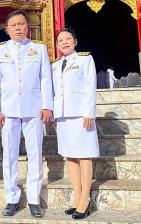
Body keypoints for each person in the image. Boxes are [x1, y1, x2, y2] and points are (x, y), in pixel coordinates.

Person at [0, 10, 53, 218]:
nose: (18, 28)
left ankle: (34, 199)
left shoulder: (39, 49)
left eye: (21, 24)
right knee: (9, 155)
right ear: (7, 29)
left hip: (34, 109)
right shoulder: (0, 51)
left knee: (35, 154)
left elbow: (46, 79)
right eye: (13, 25)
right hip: (8, 111)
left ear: (27, 27)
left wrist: (47, 106)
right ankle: (12, 198)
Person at [51, 28, 99, 220]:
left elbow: (90, 86)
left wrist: (89, 113)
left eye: (68, 39)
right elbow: (54, 92)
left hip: (80, 115)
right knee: (70, 157)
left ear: (75, 41)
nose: (64, 42)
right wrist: (54, 116)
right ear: (56, 45)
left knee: (85, 156)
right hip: (62, 116)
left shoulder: (85, 60)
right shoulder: (54, 65)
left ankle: (85, 199)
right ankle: (77, 197)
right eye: (60, 40)